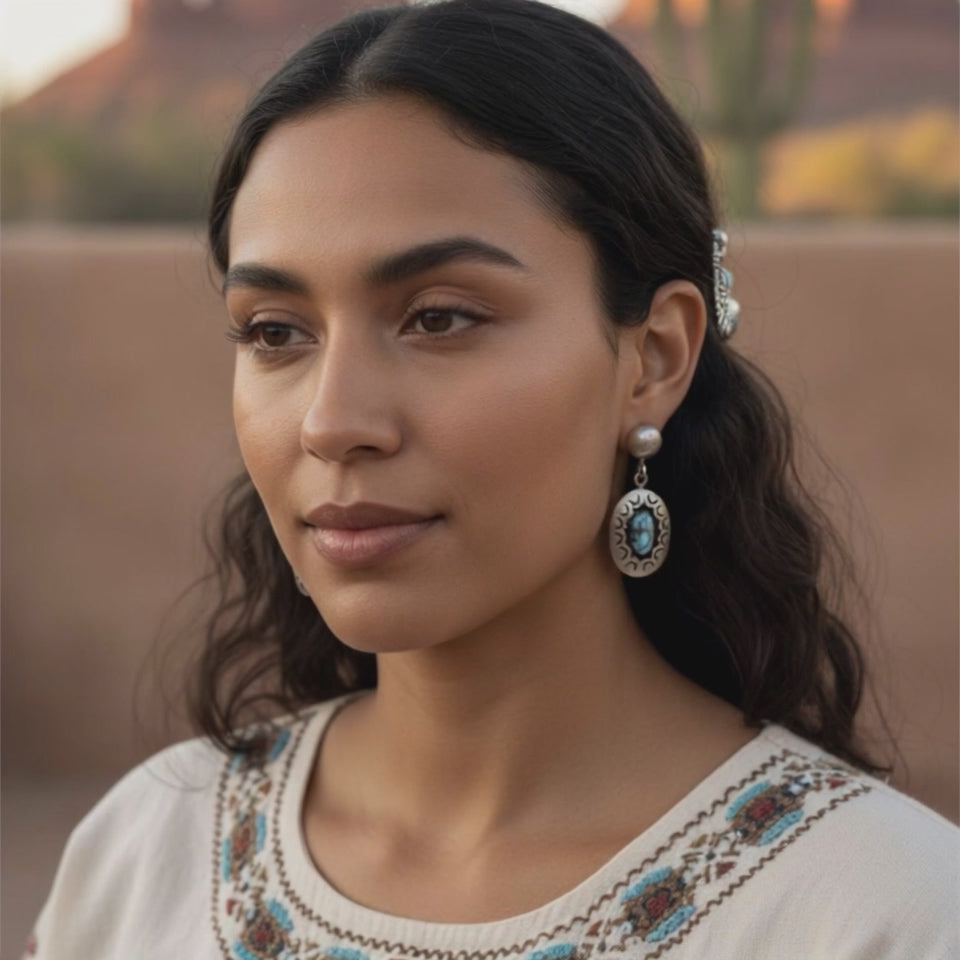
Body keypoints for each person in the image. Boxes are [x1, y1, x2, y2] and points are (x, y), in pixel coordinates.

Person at [25, 0, 958, 957]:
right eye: (275, 332)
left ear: (655, 357)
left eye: (439, 317)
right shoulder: (147, 855)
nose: (332, 420)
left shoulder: (882, 913)